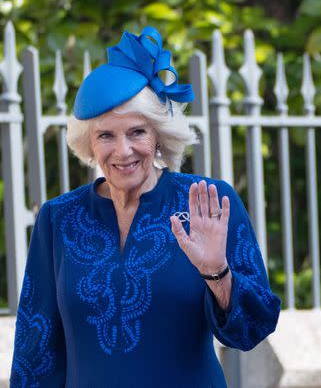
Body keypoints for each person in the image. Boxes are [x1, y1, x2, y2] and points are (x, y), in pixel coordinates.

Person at [10, 27, 280, 387]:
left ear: (158, 136)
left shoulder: (208, 201)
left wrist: (219, 274)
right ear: (89, 144)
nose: (123, 151)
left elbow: (252, 330)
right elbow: (36, 350)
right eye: (106, 135)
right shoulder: (59, 218)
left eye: (137, 132)